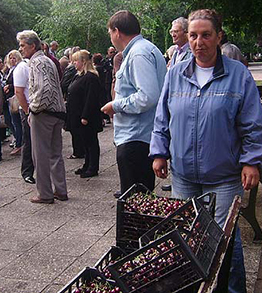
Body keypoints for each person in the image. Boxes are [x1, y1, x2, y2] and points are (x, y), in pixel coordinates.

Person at [150, 9, 262, 293]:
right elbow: (162, 116)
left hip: (225, 176)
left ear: (218, 37)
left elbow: (253, 122)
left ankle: (231, 290)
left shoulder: (237, 75)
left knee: (224, 241)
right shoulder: (176, 73)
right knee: (187, 236)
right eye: (193, 35)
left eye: (205, 35)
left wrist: (251, 161)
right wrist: (159, 151)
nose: (198, 42)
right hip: (184, 176)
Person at [101, 10, 167, 198]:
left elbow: (147, 96)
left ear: (117, 31)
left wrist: (116, 105)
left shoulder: (138, 54)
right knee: (140, 200)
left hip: (136, 139)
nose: (111, 38)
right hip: (140, 137)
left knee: (135, 205)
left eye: (110, 33)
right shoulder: (145, 49)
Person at [17, 30, 67, 204]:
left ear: (32, 45)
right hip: (57, 113)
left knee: (40, 155)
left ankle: (44, 193)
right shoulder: (48, 60)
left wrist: (33, 109)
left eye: (23, 45)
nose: (20, 49)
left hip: (44, 115)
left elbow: (42, 89)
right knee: (55, 154)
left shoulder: (37, 62)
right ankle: (60, 190)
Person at [68, 50, 103, 178]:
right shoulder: (79, 76)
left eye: (75, 61)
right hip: (77, 114)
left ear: (83, 61)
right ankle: (87, 164)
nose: (73, 63)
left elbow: (91, 99)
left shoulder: (91, 77)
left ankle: (93, 167)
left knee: (91, 142)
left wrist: (85, 116)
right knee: (85, 141)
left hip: (86, 116)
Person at [13, 51, 36, 185]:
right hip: (28, 109)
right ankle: (27, 172)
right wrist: (27, 111)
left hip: (36, 108)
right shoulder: (22, 67)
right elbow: (18, 92)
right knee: (28, 141)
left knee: (35, 142)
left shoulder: (34, 64)